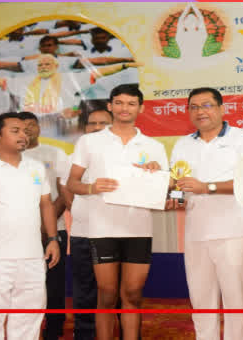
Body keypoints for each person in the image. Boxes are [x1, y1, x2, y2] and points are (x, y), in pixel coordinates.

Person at [63, 86, 166, 340]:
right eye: (119, 103)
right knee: (106, 294)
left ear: (141, 108)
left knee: (132, 294)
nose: (124, 108)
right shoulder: (89, 141)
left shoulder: (153, 146)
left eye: (131, 104)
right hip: (102, 228)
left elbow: (167, 187)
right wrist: (91, 187)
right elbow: (72, 183)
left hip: (138, 228)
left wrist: (156, 173)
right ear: (110, 106)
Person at [170, 87, 243, 340]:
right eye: (194, 107)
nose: (200, 111)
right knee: (201, 302)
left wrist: (207, 187)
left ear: (222, 109)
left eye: (207, 105)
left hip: (234, 231)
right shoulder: (182, 144)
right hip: (195, 233)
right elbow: (178, 184)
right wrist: (173, 199)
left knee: (236, 301)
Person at [0, 112, 62, 339]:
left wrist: (53, 239)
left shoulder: (36, 167)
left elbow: (46, 204)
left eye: (25, 131)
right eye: (15, 131)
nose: (23, 135)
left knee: (29, 319)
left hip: (33, 259)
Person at [17, 112, 71, 340]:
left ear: (39, 127)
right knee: (24, 284)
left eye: (31, 125)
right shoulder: (10, 157)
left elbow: (63, 192)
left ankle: (55, 327)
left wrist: (46, 227)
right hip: (20, 233)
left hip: (53, 231)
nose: (27, 130)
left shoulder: (54, 153)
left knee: (54, 284)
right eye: (21, 127)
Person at [62, 102, 111, 340]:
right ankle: (83, 335)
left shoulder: (120, 155)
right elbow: (67, 190)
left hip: (114, 234)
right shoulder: (74, 155)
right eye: (92, 123)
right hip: (83, 233)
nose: (97, 127)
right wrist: (82, 211)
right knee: (84, 291)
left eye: (103, 123)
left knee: (116, 292)